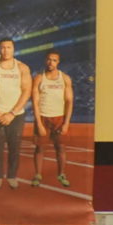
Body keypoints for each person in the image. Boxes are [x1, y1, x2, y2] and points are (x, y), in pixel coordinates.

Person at [0, 38, 32, 190]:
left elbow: (26, 92)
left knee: (14, 147)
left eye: (9, 47)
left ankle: (12, 176)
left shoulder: (22, 67)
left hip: (16, 115)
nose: (6, 50)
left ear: (13, 49)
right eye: (3, 47)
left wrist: (12, 113)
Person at [32, 51, 74, 187]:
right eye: (49, 60)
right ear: (45, 61)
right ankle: (38, 175)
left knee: (60, 148)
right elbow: (35, 102)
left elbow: (69, 101)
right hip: (43, 117)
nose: (51, 63)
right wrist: (38, 123)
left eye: (54, 60)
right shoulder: (39, 78)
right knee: (39, 148)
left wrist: (66, 123)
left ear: (58, 62)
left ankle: (61, 174)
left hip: (59, 118)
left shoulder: (65, 78)